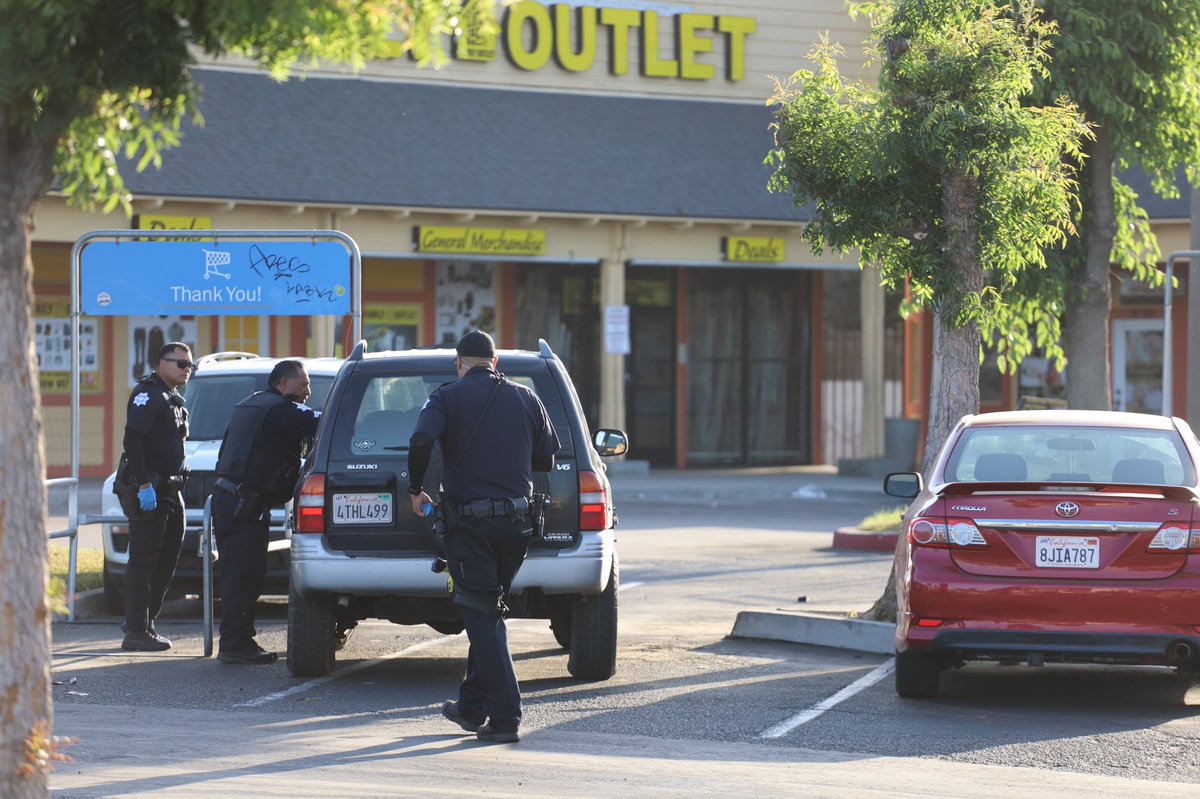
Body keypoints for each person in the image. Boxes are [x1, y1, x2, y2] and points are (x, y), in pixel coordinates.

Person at [408, 330, 560, 744]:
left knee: (483, 614)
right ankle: (472, 705)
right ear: (495, 363)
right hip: (517, 526)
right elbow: (546, 456)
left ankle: (506, 718)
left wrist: (415, 488)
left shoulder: (447, 396)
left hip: (471, 526)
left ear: (459, 363)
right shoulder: (527, 398)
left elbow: (421, 439)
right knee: (487, 610)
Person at [212, 360, 322, 664]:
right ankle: (235, 644)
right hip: (242, 503)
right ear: (284, 384)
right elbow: (324, 422)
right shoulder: (281, 409)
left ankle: (238, 640)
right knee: (243, 575)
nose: (308, 392)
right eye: (304, 385)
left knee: (240, 573)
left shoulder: (251, 404)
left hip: (231, 500)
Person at [119, 341, 195, 651]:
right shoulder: (147, 395)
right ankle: (136, 632)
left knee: (166, 561)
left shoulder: (172, 398)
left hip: (172, 491)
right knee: (144, 562)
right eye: (180, 363)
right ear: (161, 364)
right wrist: (143, 485)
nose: (186, 369)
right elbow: (132, 441)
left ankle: (145, 621)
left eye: (189, 364)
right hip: (151, 489)